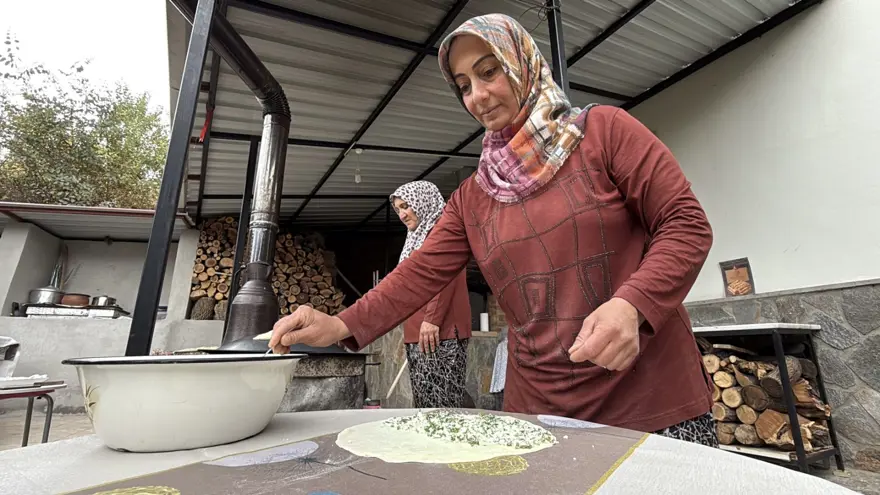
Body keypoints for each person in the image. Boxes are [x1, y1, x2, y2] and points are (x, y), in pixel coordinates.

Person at [270, 13, 718, 447]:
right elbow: (419, 274)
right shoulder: (474, 196)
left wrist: (632, 305)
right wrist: (340, 323)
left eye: (489, 72)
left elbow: (685, 223)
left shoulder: (602, 134)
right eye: (463, 86)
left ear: (522, 64)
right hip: (540, 411)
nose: (478, 96)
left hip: (649, 397)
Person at [389, 180, 472, 408]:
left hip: (438, 331)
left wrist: (432, 319)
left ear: (422, 201)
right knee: (425, 406)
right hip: (418, 332)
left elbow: (447, 275)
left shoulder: (443, 231)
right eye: (398, 209)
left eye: (406, 206)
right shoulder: (416, 237)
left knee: (442, 407)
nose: (402, 215)